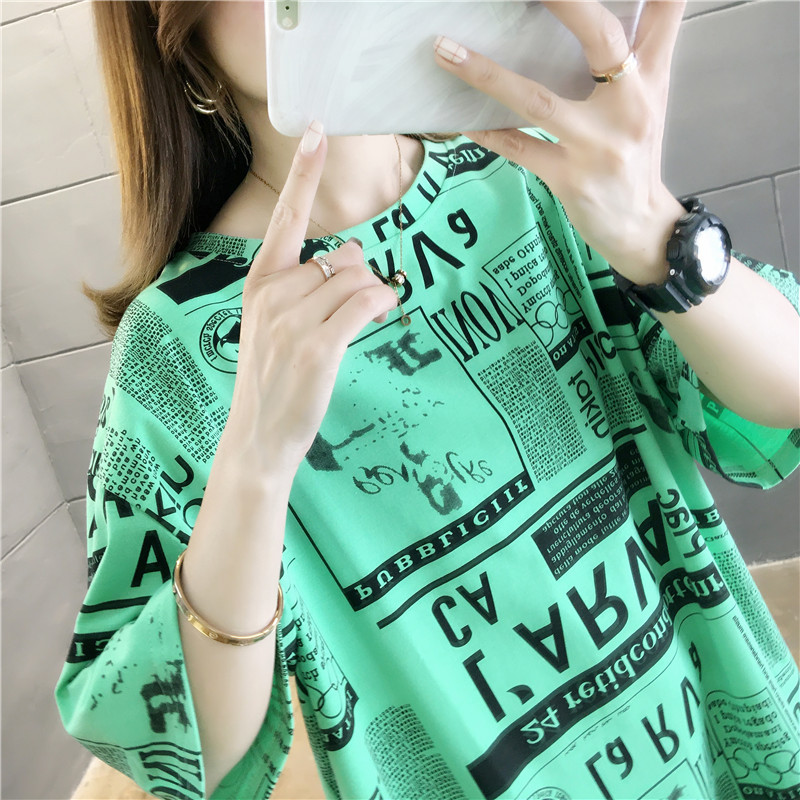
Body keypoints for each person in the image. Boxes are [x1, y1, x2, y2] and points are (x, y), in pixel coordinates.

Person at [56, 1, 800, 799]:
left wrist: (653, 230)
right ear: (175, 29)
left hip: (719, 738)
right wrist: (255, 463)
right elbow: (183, 750)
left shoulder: (535, 172)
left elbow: (779, 400)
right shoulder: (176, 344)